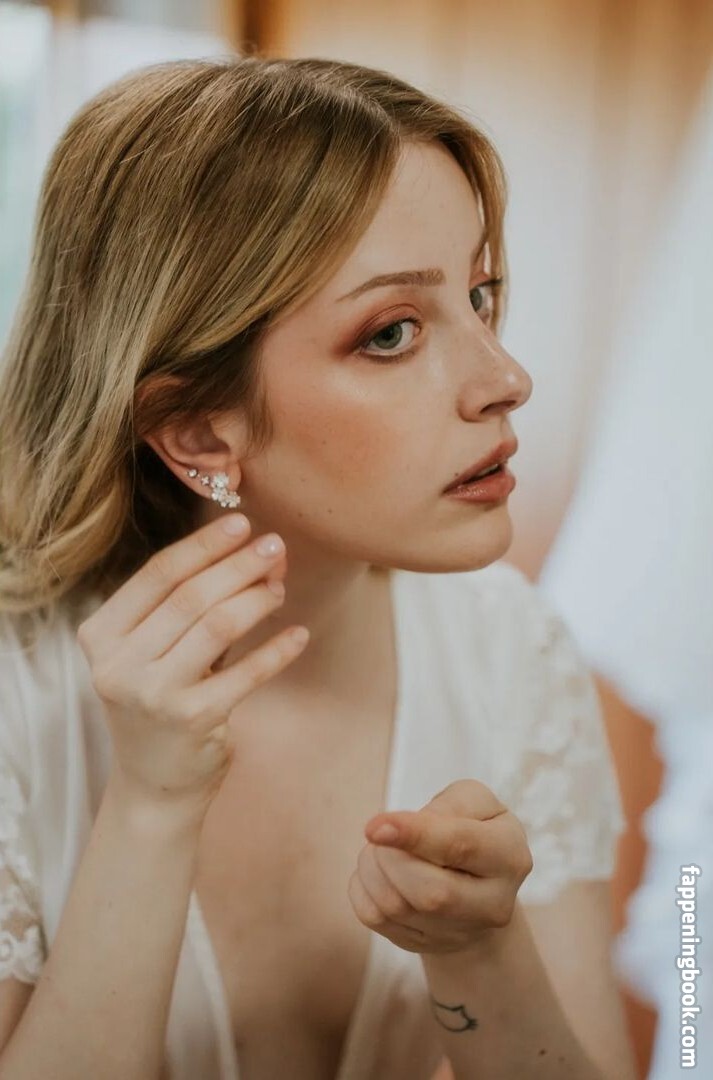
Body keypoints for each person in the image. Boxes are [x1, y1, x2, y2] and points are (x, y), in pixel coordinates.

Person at [0, 55, 637, 1080]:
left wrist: (480, 955)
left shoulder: (509, 647)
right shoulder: (15, 694)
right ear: (197, 430)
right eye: (391, 333)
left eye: (480, 295)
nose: (505, 378)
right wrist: (151, 804)